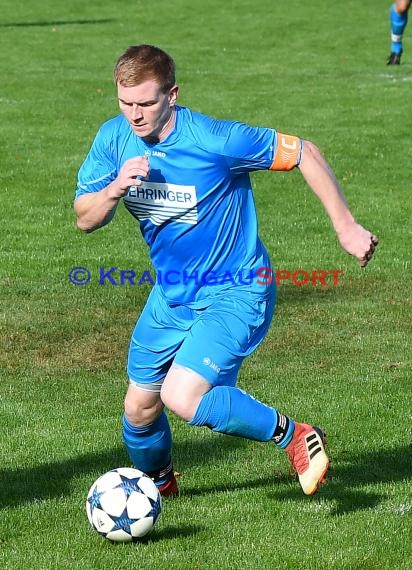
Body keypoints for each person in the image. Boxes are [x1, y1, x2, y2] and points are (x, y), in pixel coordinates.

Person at [74, 44, 378, 498]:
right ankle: (159, 490)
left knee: (181, 396)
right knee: (139, 409)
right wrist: (115, 188)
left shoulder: (214, 140)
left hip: (237, 289)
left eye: (146, 103)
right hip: (172, 294)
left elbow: (303, 152)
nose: (134, 115)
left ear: (172, 95)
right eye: (125, 102)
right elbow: (84, 217)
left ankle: (295, 436)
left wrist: (347, 226)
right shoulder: (113, 139)